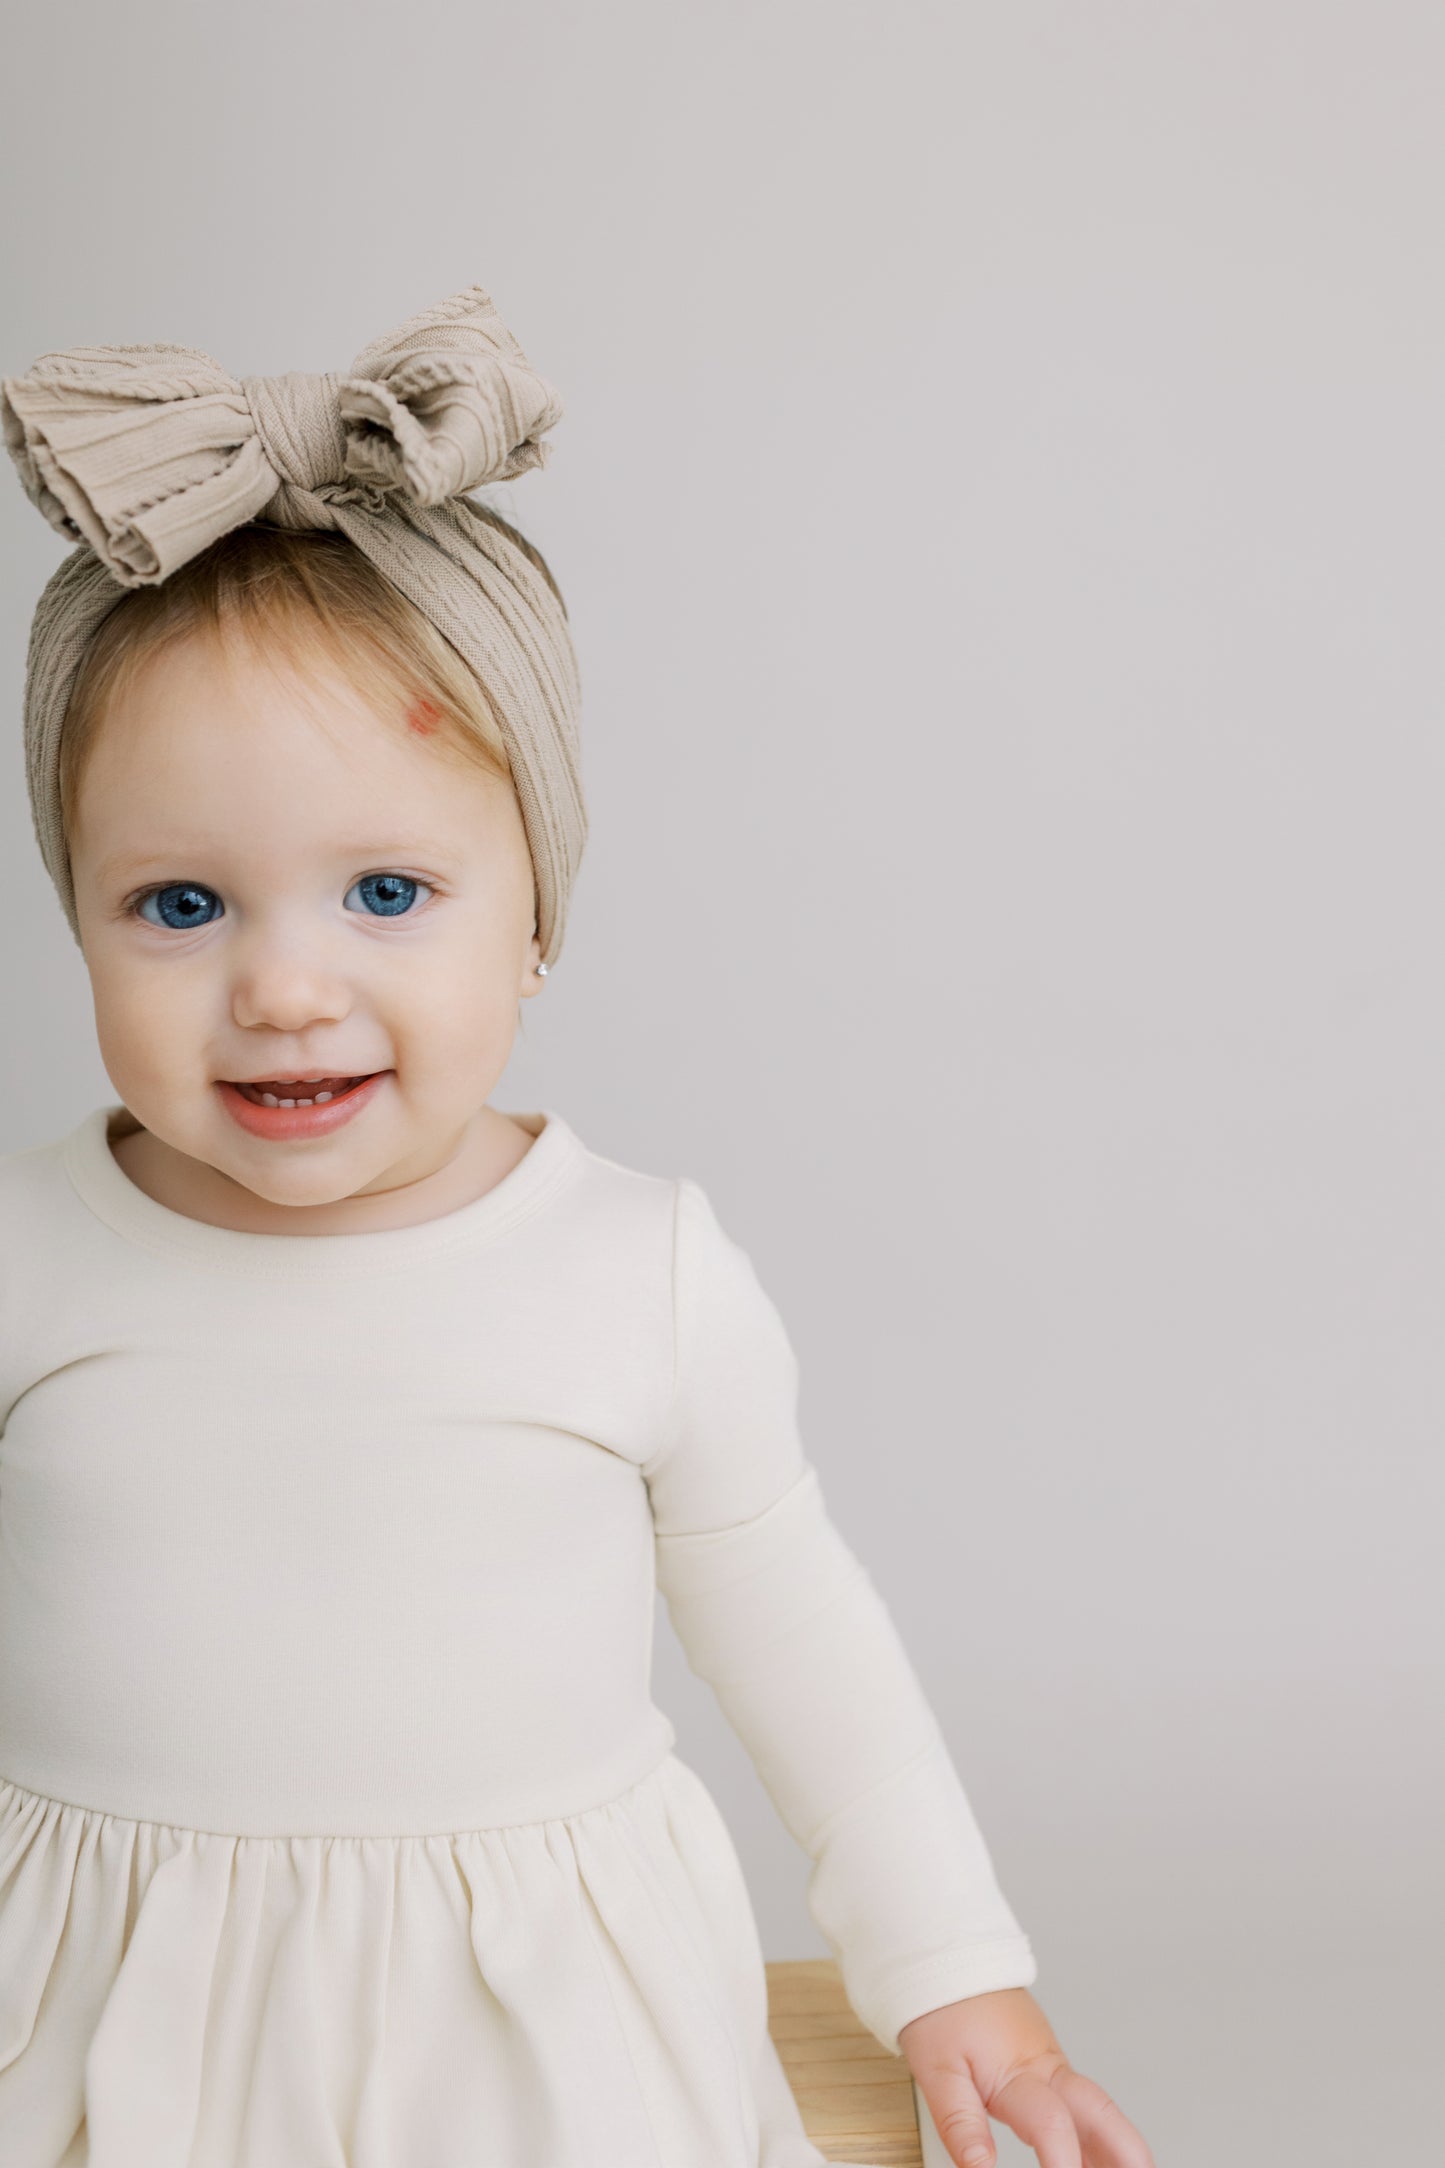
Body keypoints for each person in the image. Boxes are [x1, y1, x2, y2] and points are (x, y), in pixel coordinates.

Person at [0, 285, 1154, 2168]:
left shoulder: (635, 1273)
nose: (283, 989)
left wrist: (955, 1975)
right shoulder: (30, 1256)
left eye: (387, 891)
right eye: (180, 907)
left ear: (535, 919)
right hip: (103, 2002)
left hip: (523, 2022)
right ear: (79, 920)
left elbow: (806, 1653)